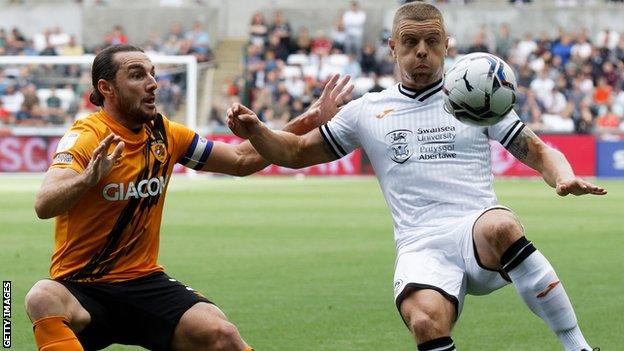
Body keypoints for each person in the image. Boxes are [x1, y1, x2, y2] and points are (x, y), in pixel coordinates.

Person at [226, 3, 606, 351]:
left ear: (446, 46)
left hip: (476, 228)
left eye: (431, 41)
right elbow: (293, 153)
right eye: (410, 42)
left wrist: (562, 176)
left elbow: (538, 151)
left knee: (502, 225)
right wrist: (257, 130)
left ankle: (578, 347)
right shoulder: (366, 111)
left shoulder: (475, 96)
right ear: (392, 47)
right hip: (420, 244)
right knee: (425, 321)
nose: (421, 50)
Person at [25, 44, 353, 351]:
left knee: (222, 335)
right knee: (42, 297)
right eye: (138, 75)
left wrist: (307, 121)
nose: (153, 83)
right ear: (106, 88)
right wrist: (87, 179)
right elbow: (45, 203)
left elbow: (240, 160)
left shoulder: (166, 133)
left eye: (153, 73)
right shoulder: (86, 137)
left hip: (143, 282)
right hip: (83, 286)